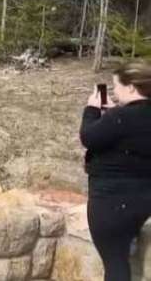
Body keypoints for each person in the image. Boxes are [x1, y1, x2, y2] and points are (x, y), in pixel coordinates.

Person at [80, 60, 151, 281]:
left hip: (111, 202)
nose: (115, 92)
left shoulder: (120, 118)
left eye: (117, 86)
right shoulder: (128, 116)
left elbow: (88, 137)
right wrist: (115, 115)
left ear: (131, 87)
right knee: (121, 256)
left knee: (115, 264)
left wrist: (92, 109)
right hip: (142, 198)